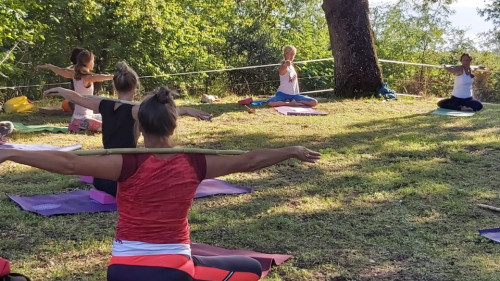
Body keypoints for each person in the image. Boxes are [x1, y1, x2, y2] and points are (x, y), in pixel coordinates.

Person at [1, 86, 321, 281]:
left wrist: (13, 153)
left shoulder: (126, 162)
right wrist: (290, 150)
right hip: (174, 271)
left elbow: (67, 163)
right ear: (174, 124)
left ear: (139, 124)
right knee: (251, 268)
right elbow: (250, 159)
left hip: (121, 271)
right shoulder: (196, 162)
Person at [44, 61, 211, 196]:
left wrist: (59, 89)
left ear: (116, 86)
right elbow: (162, 113)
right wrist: (187, 110)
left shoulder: (104, 104)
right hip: (124, 177)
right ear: (135, 86)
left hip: (102, 178)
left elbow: (77, 97)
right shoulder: (136, 109)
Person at [39, 49, 114, 131]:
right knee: (110, 126)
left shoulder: (74, 74)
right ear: (88, 62)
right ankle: (76, 125)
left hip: (89, 115)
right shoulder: (87, 78)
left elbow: (61, 71)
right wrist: (113, 77)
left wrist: (50, 66)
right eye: (93, 61)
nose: (93, 63)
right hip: (80, 119)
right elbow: (100, 77)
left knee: (113, 117)